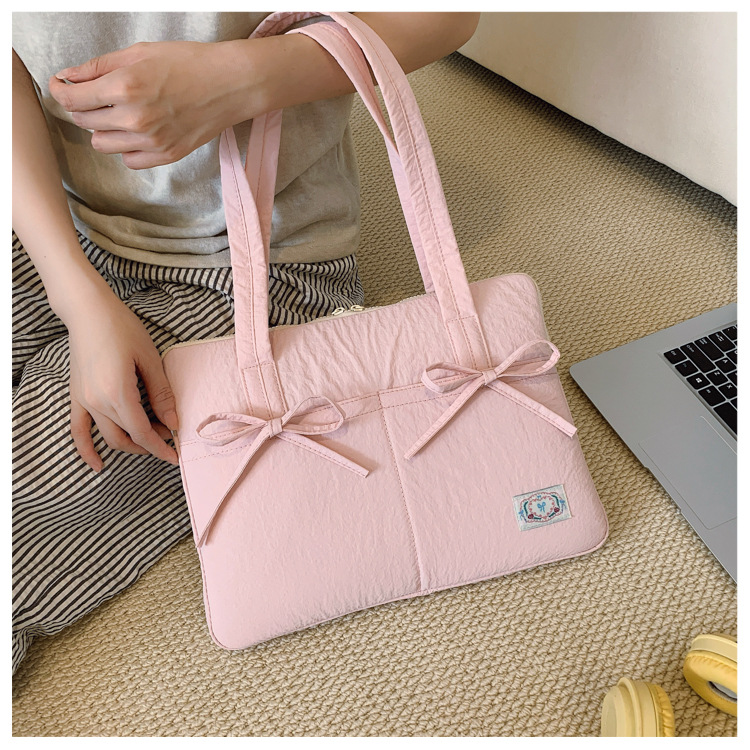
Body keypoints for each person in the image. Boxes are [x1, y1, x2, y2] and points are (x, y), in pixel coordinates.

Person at [11, 11, 480, 673]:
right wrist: (78, 297)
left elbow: (446, 15)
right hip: (48, 215)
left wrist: (238, 79)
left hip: (258, 260)